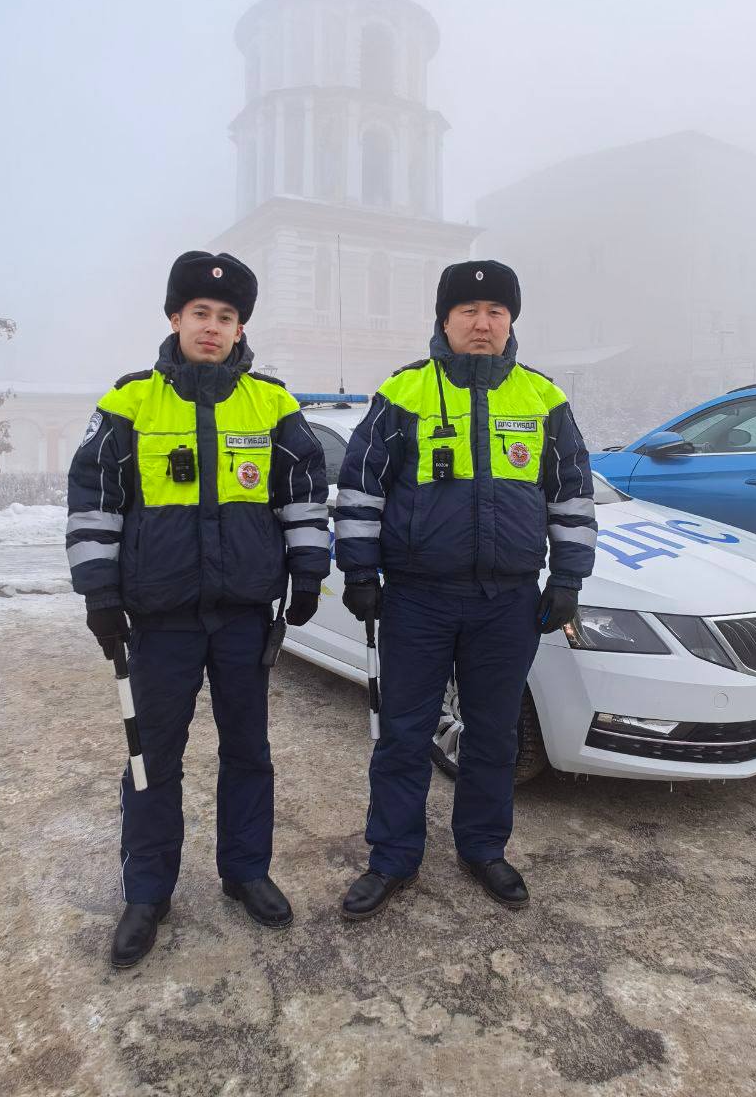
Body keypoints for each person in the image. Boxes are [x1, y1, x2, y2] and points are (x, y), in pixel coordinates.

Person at [66, 250, 329, 966]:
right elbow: (93, 503)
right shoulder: (131, 402)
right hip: (162, 617)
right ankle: (147, 892)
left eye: (226, 317)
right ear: (175, 318)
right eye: (200, 314)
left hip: (244, 615)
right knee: (153, 757)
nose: (212, 327)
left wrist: (308, 573)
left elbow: (304, 495)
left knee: (248, 751)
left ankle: (245, 872)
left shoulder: (272, 404)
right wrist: (100, 593)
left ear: (241, 327)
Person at [333, 259, 596, 920]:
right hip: (417, 599)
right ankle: (392, 858)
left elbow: (571, 495)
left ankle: (483, 848)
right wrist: (360, 573)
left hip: (505, 601)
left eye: (495, 312)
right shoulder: (404, 393)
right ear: (444, 320)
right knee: (403, 734)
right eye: (468, 311)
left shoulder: (543, 400)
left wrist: (568, 579)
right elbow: (360, 489)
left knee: (494, 735)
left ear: (510, 322)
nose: (483, 323)